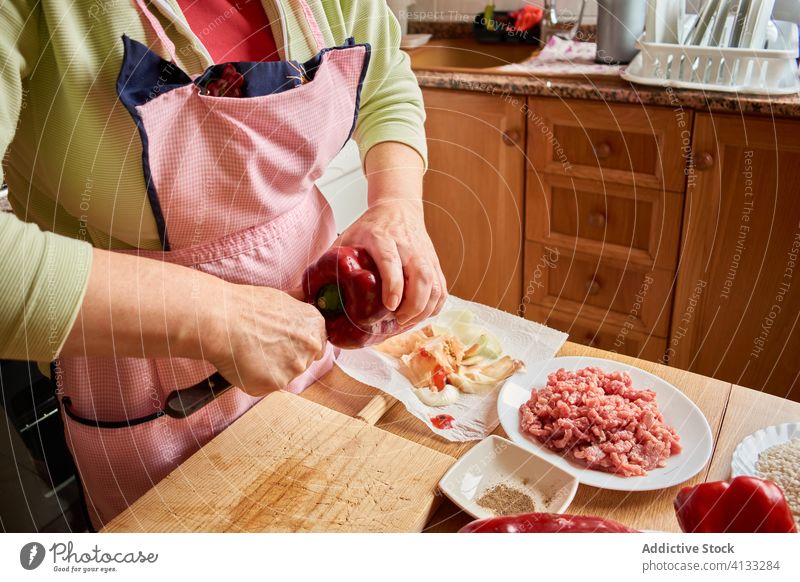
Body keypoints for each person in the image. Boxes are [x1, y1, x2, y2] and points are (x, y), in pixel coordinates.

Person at [0, 0, 446, 528]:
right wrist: (217, 316)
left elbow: (385, 77)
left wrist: (397, 203)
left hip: (319, 351)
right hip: (151, 386)